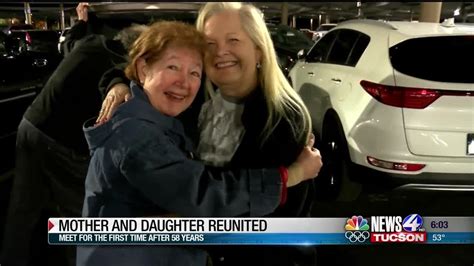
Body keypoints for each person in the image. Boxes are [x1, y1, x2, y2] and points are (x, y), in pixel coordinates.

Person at [77, 20, 320, 266]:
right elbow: (203, 195)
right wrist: (293, 174)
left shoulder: (160, 117)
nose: (184, 82)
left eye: (194, 72)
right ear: (142, 70)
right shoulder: (138, 137)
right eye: (173, 67)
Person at [0, 5, 147, 266]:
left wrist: (81, 22)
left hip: (32, 124)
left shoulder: (91, 42)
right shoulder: (120, 69)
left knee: (23, 207)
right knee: (79, 216)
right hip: (64, 142)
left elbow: (68, 43)